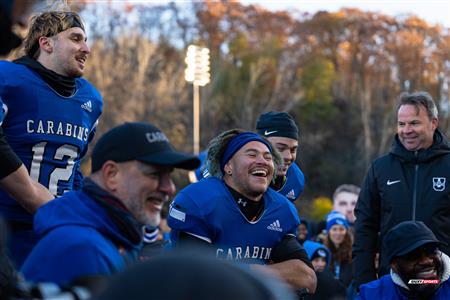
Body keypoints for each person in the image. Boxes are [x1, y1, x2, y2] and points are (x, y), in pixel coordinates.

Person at [20, 122, 200, 285]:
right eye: (154, 174)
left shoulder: (116, 235)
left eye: (169, 176)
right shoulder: (83, 249)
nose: (169, 188)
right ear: (111, 174)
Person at [0, 11, 103, 267]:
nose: (86, 49)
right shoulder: (8, 78)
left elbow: (74, 167)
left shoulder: (91, 99)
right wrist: (39, 200)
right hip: (8, 226)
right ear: (46, 43)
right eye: (76, 38)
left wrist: (75, 212)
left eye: (86, 40)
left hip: (57, 230)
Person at [168, 129, 317, 294]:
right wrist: (268, 271)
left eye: (268, 157)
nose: (263, 161)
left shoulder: (280, 209)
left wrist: (231, 270)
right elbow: (197, 278)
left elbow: (307, 277)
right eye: (252, 155)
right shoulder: (200, 201)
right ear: (228, 166)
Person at [353, 91, 450, 289]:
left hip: (442, 282)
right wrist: (366, 283)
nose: (407, 130)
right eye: (401, 124)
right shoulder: (380, 168)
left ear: (433, 123)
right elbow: (365, 229)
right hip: (393, 282)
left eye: (414, 123)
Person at [357, 221, 450, 299]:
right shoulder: (370, 295)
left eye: (431, 251)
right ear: (394, 264)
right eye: (414, 255)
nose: (426, 261)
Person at [256, 111, 305, 201]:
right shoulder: (235, 173)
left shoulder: (295, 179)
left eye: (293, 150)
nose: (288, 157)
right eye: (280, 149)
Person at [324, 212, 353, 287]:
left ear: (346, 232)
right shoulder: (323, 254)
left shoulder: (353, 254)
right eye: (334, 229)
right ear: (329, 232)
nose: (338, 233)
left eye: (341, 229)